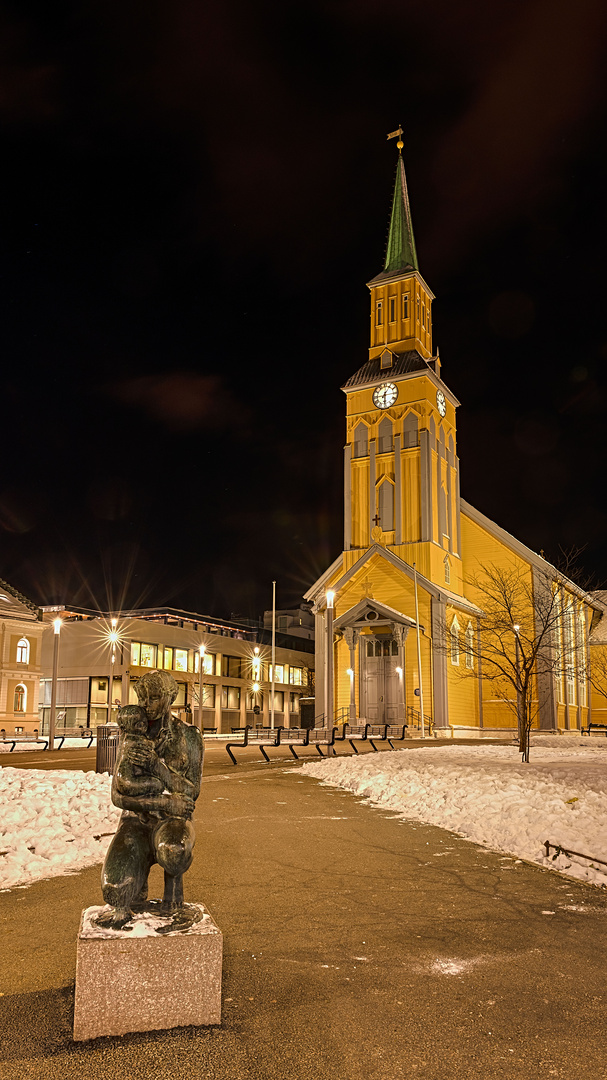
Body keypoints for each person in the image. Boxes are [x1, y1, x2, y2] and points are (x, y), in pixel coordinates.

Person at [94, 670, 203, 931]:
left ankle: (173, 900)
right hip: (136, 822)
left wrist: (157, 766)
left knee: (174, 850)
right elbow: (117, 795)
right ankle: (136, 890)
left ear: (170, 698)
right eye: (141, 697)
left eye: (153, 698)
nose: (145, 704)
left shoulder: (189, 736)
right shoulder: (131, 734)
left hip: (172, 822)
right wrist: (163, 802)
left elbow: (192, 793)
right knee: (114, 890)